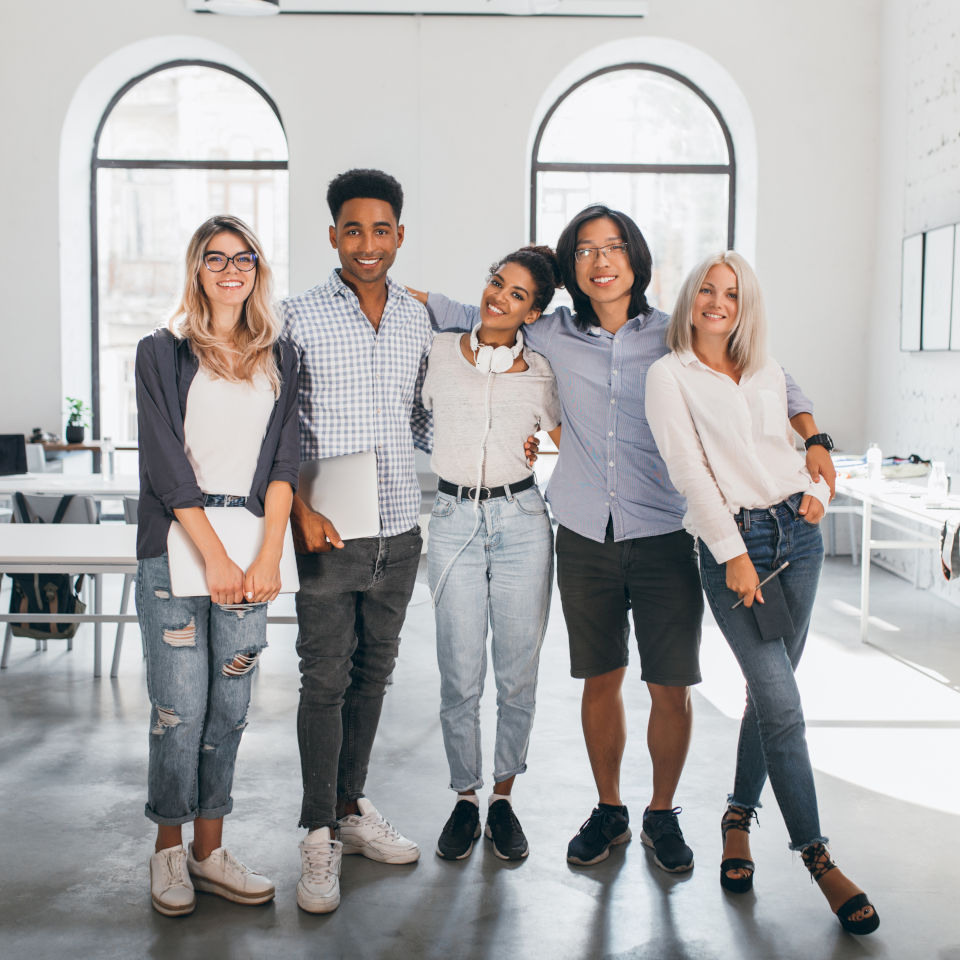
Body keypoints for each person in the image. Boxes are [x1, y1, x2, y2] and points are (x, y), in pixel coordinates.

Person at [418, 204, 836, 872]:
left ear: (636, 260)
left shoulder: (675, 333)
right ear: (572, 269)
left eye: (612, 247)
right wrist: (384, 289)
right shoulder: (548, 331)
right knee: (600, 678)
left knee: (671, 684)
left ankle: (661, 813)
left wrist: (814, 437)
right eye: (585, 250)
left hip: (668, 529)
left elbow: (772, 375)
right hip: (585, 532)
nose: (600, 260)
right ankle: (609, 808)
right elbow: (472, 311)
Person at [644, 251, 878, 934]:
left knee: (769, 696)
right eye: (707, 290)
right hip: (736, 548)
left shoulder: (766, 368)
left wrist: (818, 490)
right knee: (783, 705)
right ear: (690, 298)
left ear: (746, 306)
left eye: (732, 293)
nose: (718, 303)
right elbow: (689, 472)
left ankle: (737, 819)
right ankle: (817, 857)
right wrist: (733, 554)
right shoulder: (669, 376)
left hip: (798, 539)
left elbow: (793, 444)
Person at [134, 214, 299, 916]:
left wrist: (268, 555)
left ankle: (210, 852)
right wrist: (217, 557)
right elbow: (165, 465)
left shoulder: (281, 355)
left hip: (250, 549)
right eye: (216, 258)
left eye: (244, 257)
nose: (231, 270)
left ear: (259, 269)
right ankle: (168, 851)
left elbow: (286, 462)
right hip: (179, 547)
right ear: (197, 269)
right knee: (179, 710)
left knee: (228, 712)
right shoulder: (161, 352)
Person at [280, 169, 432, 914]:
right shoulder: (297, 317)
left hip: (400, 531)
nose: (367, 244)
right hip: (329, 532)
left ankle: (349, 807)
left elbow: (422, 419)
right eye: (352, 230)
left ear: (399, 234)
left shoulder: (416, 319)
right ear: (333, 235)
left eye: (380, 230)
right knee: (325, 682)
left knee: (373, 679)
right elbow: (275, 426)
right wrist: (298, 511)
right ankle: (318, 831)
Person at [420, 246, 562, 862]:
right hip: (452, 519)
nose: (499, 298)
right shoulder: (437, 354)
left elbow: (567, 440)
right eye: (497, 283)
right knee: (458, 671)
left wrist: (539, 449)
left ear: (534, 313)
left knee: (516, 672)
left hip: (523, 520)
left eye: (517, 295)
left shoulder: (542, 373)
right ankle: (465, 797)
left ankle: (503, 797)